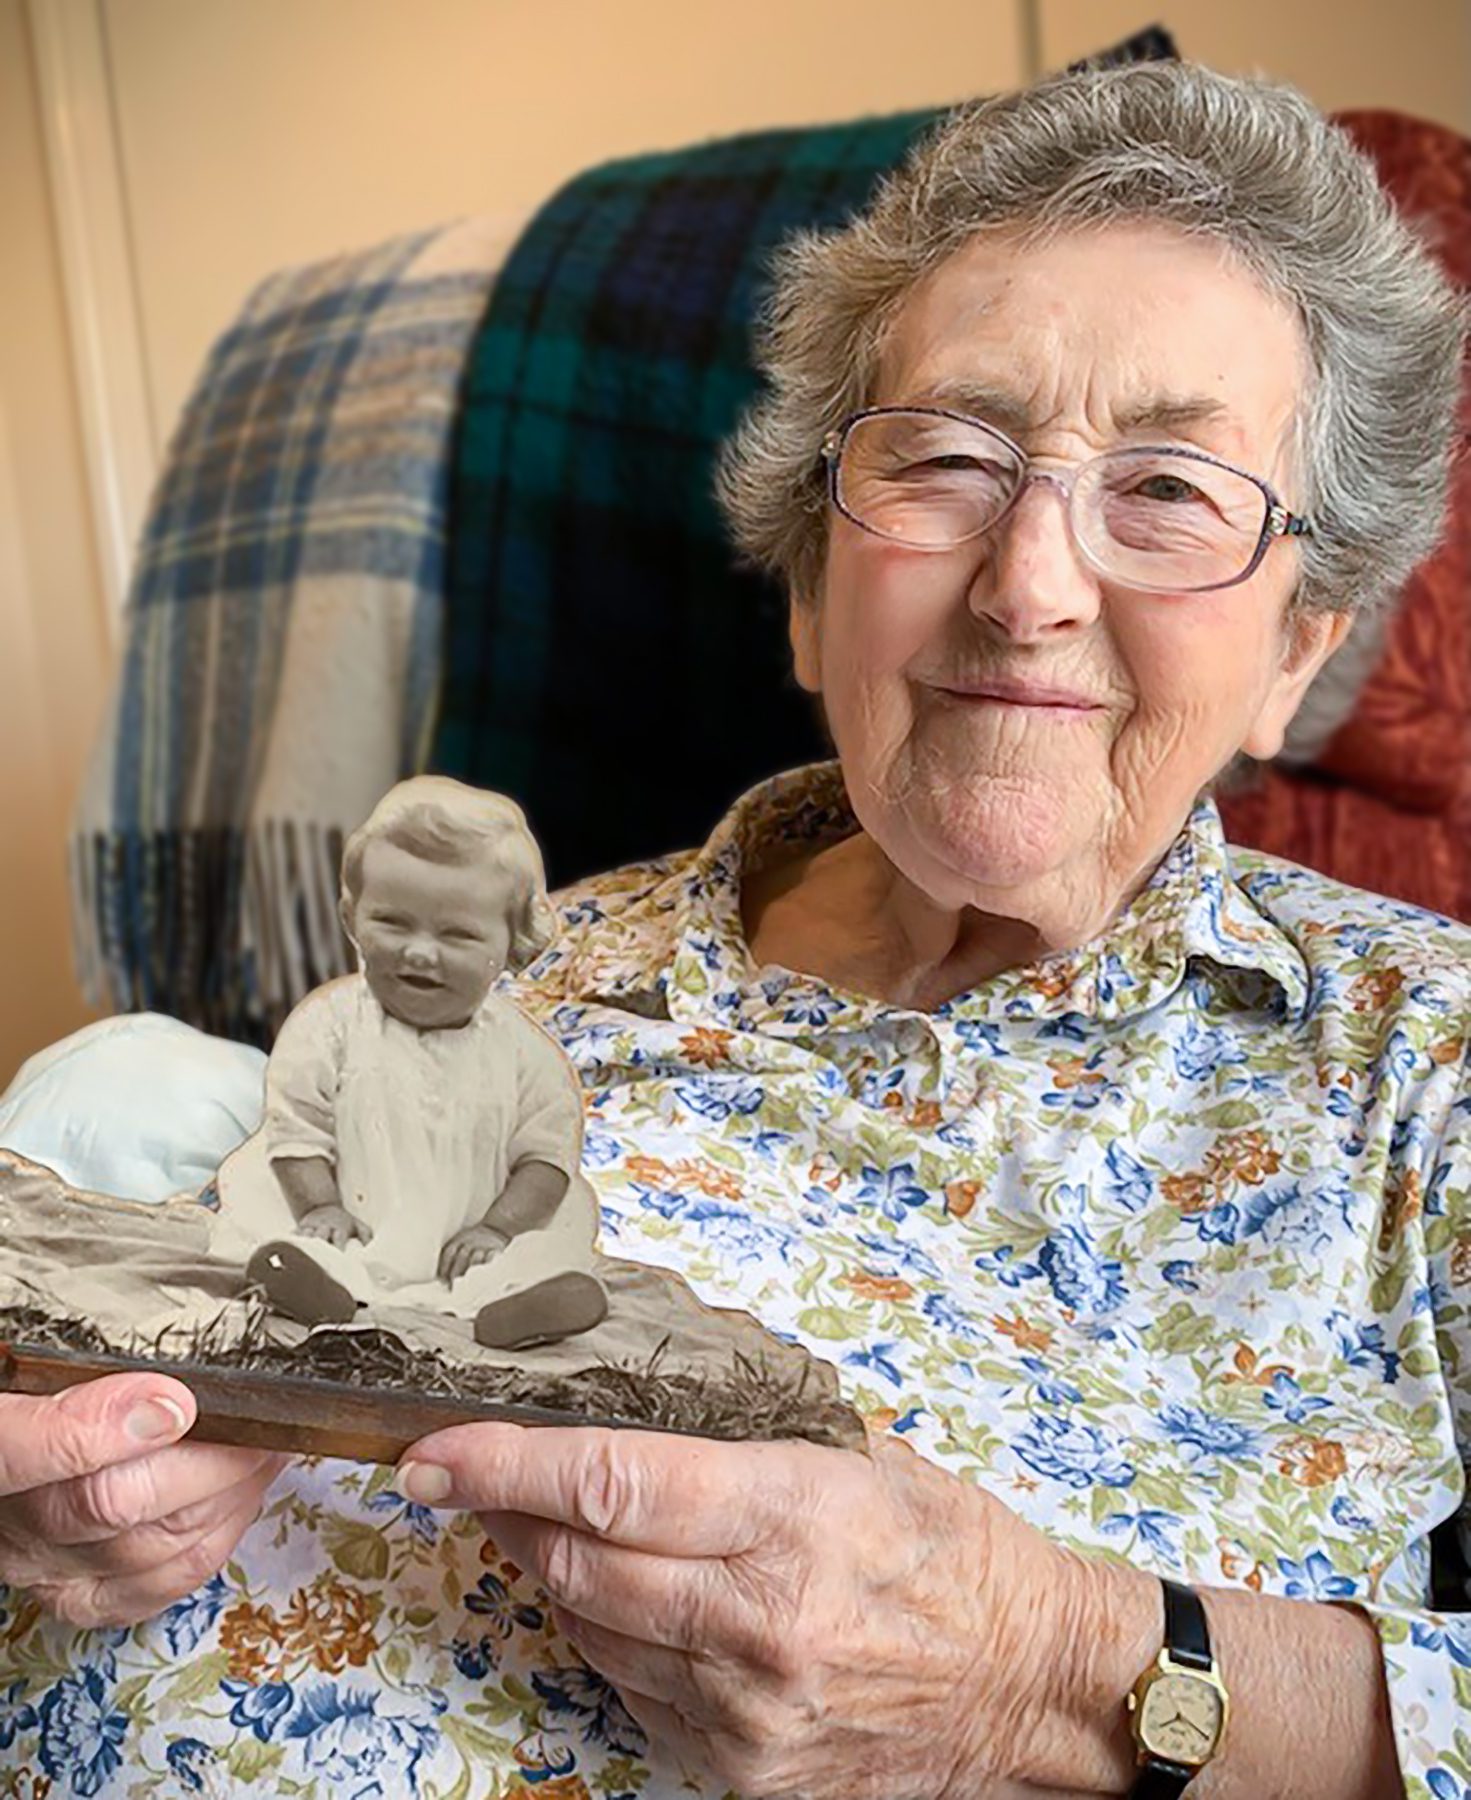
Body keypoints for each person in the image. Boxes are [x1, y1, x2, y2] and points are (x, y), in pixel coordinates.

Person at [0, 58, 1466, 1800]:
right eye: (947, 457)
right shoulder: (486, 971)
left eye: (1166, 491)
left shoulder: (1415, 1064)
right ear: (805, 591)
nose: (1029, 582)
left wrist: (1054, 1672)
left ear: (1298, 648)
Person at [217, 776, 610, 1350]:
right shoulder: (329, 1027)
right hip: (346, 1216)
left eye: (457, 935)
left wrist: (497, 1229)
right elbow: (297, 1129)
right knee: (284, 1231)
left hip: (472, 1241)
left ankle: (517, 1305)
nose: (420, 951)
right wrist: (321, 1204)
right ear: (352, 917)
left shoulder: (524, 1055)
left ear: (512, 943)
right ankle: (316, 1284)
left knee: (541, 1249)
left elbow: (544, 1161)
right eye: (393, 922)